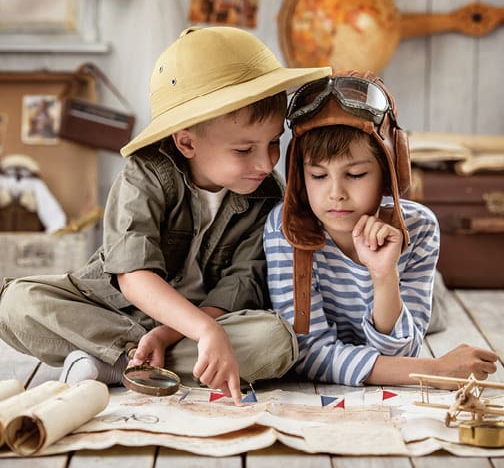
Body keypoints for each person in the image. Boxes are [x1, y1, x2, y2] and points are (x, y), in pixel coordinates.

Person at [0, 26, 331, 404]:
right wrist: (203, 332)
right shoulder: (145, 174)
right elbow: (132, 275)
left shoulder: (268, 197)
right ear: (186, 141)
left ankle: (116, 362)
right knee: (15, 303)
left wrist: (182, 331)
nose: (266, 161)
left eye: (273, 142)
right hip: (113, 310)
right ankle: (129, 356)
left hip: (198, 324)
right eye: (244, 150)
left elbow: (239, 285)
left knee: (276, 340)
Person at [263, 71, 498, 387]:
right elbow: (309, 352)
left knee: (436, 317)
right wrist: (436, 370)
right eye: (318, 176)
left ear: (388, 172)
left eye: (356, 174)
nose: (336, 193)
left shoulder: (420, 227)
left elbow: (403, 350)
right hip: (359, 330)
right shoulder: (284, 229)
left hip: (416, 304)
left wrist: (384, 276)